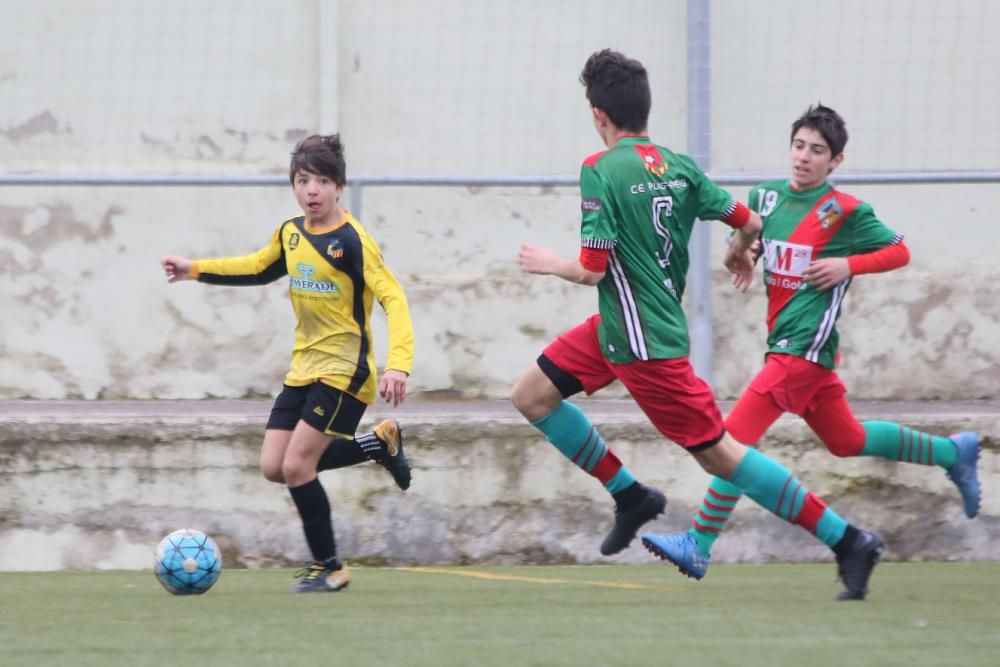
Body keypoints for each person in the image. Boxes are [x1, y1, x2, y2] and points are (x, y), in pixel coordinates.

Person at [512, 51, 884, 600]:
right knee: (532, 395)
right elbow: (750, 221)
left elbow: (592, 270)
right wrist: (738, 251)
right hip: (618, 326)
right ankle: (630, 495)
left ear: (599, 115)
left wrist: (549, 262)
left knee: (721, 454)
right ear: (646, 109)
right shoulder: (680, 166)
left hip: (645, 347)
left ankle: (848, 539)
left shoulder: (600, 169)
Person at [642, 104, 981, 583]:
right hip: (788, 346)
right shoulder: (765, 198)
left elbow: (899, 250)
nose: (804, 157)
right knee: (847, 440)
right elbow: (742, 245)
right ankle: (953, 453)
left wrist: (849, 265)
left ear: (835, 162)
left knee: (732, 441)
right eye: (799, 146)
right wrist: (743, 252)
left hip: (802, 348)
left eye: (817, 150)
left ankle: (699, 542)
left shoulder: (845, 213)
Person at [160, 134, 415, 593]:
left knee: (299, 467)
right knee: (275, 466)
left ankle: (331, 567)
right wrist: (194, 268)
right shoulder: (291, 233)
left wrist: (398, 364)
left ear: (339, 186)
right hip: (304, 369)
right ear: (293, 186)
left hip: (345, 371)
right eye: (302, 180)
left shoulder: (353, 241)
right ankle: (377, 445)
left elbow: (393, 298)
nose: (311, 190)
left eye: (321, 180)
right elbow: (257, 267)